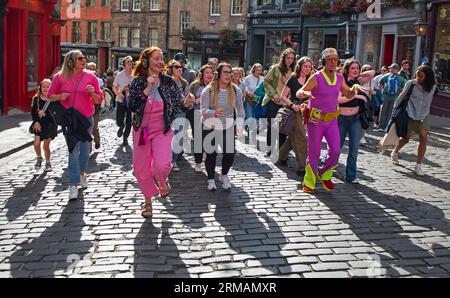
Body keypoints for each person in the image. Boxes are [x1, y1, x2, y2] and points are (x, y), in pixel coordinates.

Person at [128, 47, 194, 218]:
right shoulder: (138, 82)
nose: (160, 61)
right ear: (146, 61)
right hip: (142, 130)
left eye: (162, 58)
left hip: (162, 129)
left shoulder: (169, 82)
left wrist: (187, 103)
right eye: (156, 58)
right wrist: (148, 88)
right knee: (141, 168)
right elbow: (132, 105)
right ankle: (148, 202)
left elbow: (179, 105)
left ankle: (163, 182)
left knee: (162, 164)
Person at [296, 48, 368, 193]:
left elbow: (347, 95)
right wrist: (304, 93)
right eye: (330, 60)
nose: (333, 62)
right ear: (324, 62)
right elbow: (299, 92)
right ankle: (309, 180)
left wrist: (354, 89)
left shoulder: (340, 78)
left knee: (335, 151)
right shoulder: (316, 77)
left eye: (335, 59)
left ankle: (324, 173)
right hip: (315, 120)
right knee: (314, 153)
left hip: (332, 120)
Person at [48, 50, 103, 200]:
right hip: (69, 120)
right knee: (73, 151)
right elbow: (49, 95)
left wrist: (92, 93)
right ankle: (73, 185)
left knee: (85, 150)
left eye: (84, 58)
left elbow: (98, 100)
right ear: (71, 61)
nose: (83, 60)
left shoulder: (91, 77)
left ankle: (82, 173)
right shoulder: (60, 77)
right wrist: (60, 96)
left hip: (86, 118)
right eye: (80, 58)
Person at [200, 63, 245, 191]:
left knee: (230, 154)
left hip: (228, 126)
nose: (228, 75)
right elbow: (203, 110)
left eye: (230, 72)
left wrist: (240, 124)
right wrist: (212, 112)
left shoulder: (236, 90)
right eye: (225, 72)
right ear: (218, 74)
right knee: (211, 155)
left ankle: (224, 175)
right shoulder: (208, 90)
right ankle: (210, 179)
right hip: (210, 126)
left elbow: (240, 110)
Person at [390, 65, 437, 176]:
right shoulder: (411, 83)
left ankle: (418, 165)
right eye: (417, 74)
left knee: (423, 138)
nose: (418, 77)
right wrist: (395, 109)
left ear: (427, 76)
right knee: (406, 139)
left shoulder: (433, 86)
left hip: (424, 115)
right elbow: (402, 96)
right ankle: (395, 152)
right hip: (410, 113)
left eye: (421, 75)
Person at [338, 59, 375, 184]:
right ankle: (328, 165)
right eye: (352, 68)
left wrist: (358, 75)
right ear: (347, 69)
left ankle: (351, 175)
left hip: (356, 119)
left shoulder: (358, 81)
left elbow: (372, 73)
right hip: (341, 118)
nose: (355, 70)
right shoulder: (341, 81)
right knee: (336, 147)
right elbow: (339, 100)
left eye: (357, 68)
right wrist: (356, 95)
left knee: (354, 148)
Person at [278, 57, 314, 176]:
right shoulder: (293, 79)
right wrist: (292, 105)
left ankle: (281, 156)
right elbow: (283, 96)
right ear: (299, 66)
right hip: (294, 111)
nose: (307, 69)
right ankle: (302, 167)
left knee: (293, 137)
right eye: (305, 66)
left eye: (309, 66)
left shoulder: (311, 79)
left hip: (308, 110)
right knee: (302, 138)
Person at [262, 48, 296, 158]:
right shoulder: (275, 68)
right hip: (273, 101)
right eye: (288, 58)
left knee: (282, 128)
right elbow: (266, 82)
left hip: (286, 103)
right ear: (283, 58)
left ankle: (280, 150)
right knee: (272, 126)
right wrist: (273, 94)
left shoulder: (295, 71)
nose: (290, 60)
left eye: (292, 58)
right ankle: (270, 148)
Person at [188, 64, 214, 172]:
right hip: (197, 113)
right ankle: (198, 162)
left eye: (211, 73)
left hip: (211, 115)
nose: (209, 75)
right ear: (202, 74)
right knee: (198, 138)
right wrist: (195, 100)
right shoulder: (195, 85)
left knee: (210, 138)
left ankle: (208, 159)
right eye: (207, 72)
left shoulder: (216, 86)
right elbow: (188, 97)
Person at [166, 59, 191, 172]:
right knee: (167, 137)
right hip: (167, 112)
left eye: (180, 67)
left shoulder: (184, 82)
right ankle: (165, 160)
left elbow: (186, 98)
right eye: (176, 67)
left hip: (180, 112)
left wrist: (188, 98)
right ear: (171, 69)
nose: (179, 69)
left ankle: (173, 160)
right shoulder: (166, 81)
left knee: (178, 138)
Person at [30, 79, 57, 172]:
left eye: (48, 87)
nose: (45, 88)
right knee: (36, 143)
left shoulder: (53, 99)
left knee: (46, 146)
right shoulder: (36, 99)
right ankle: (39, 158)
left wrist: (46, 114)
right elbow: (33, 113)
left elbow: (56, 115)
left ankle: (48, 162)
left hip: (50, 124)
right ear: (40, 87)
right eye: (43, 86)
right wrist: (36, 122)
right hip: (39, 123)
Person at [378, 63, 407, 131]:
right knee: (391, 112)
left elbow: (381, 83)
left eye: (391, 68)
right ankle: (387, 127)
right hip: (395, 97)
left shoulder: (387, 76)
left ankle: (381, 126)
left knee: (383, 111)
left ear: (394, 69)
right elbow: (405, 87)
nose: (390, 69)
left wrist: (382, 91)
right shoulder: (401, 78)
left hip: (385, 96)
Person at [113, 56, 134, 146]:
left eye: (131, 62)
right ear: (124, 64)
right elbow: (114, 87)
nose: (130, 63)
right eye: (128, 62)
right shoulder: (119, 75)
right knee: (119, 119)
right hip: (120, 99)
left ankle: (125, 138)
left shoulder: (135, 75)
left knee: (129, 121)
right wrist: (118, 94)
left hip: (130, 101)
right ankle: (121, 126)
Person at [86, 62, 104, 150]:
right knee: (87, 126)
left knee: (94, 125)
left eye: (93, 68)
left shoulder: (99, 80)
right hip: (87, 106)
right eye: (90, 68)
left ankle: (97, 141)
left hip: (96, 106)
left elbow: (102, 93)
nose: (91, 70)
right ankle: (88, 145)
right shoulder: (83, 79)